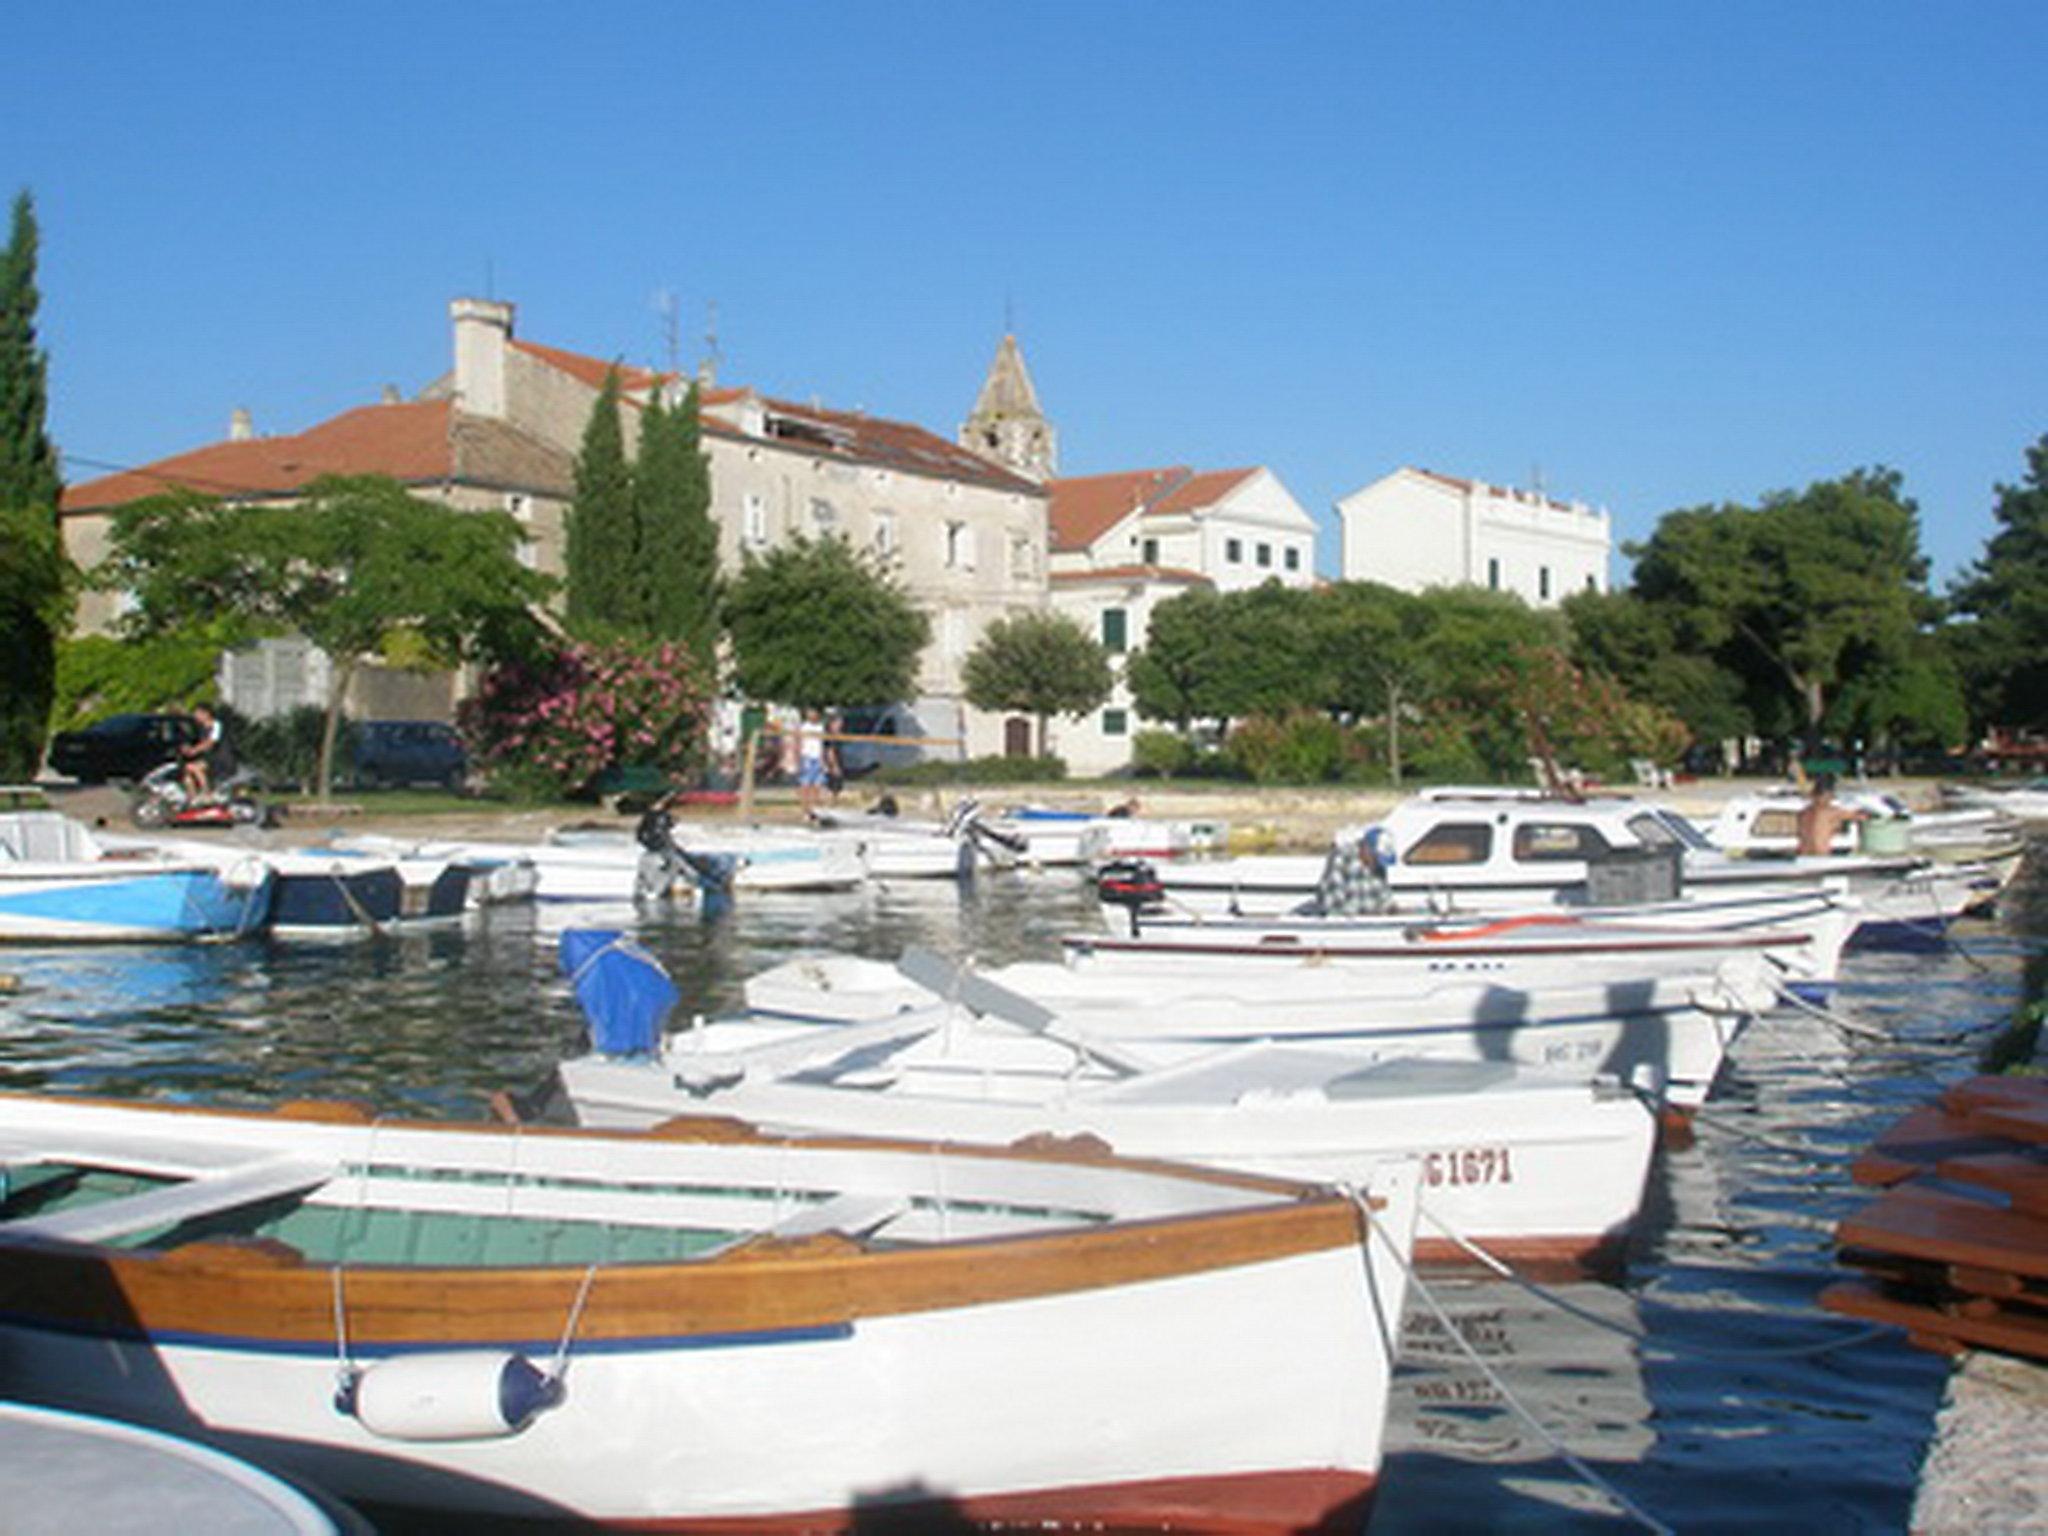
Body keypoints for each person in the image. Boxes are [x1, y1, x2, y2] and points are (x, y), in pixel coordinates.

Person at [1795, 772, 1865, 856]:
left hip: (1803, 855)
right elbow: (1862, 817)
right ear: (1829, 795)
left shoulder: (1803, 812)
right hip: (1821, 855)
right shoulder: (1830, 812)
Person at [180, 703, 229, 801]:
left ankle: (207, 794)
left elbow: (211, 742)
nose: (196, 716)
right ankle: (193, 796)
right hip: (209, 758)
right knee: (186, 769)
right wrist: (187, 748)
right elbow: (197, 742)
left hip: (222, 757)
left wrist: (195, 750)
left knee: (196, 768)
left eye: (198, 714)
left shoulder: (217, 725)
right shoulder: (201, 728)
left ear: (206, 714)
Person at [795, 708, 828, 817]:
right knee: (805, 785)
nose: (812, 715)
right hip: (807, 757)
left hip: (817, 757)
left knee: (817, 784)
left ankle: (814, 810)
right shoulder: (803, 727)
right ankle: (805, 810)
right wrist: (799, 759)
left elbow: (822, 744)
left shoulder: (821, 727)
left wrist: (823, 759)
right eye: (810, 713)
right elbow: (799, 742)